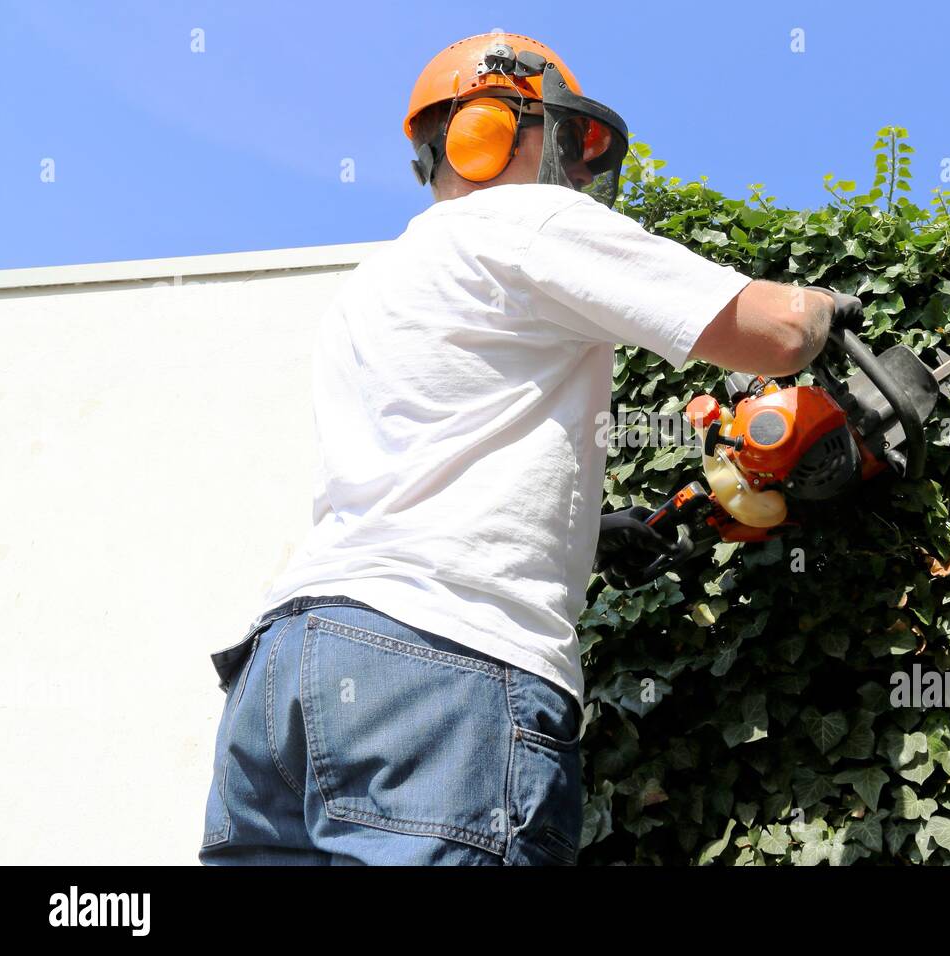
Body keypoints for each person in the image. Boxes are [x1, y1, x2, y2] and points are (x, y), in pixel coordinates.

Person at [198, 31, 854, 866]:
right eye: (569, 141)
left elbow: (442, 453)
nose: (580, 172)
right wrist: (829, 303)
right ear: (490, 128)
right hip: (442, 671)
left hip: (283, 671)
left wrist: (588, 530)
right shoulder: (528, 221)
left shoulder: (374, 285)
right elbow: (780, 331)